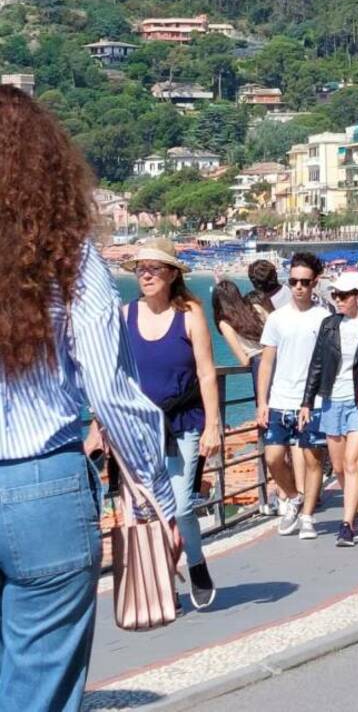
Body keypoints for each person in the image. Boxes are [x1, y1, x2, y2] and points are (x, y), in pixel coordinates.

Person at [0, 84, 179, 711]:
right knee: (40, 683)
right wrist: (156, 491)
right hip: (41, 486)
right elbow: (111, 390)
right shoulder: (70, 260)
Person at [123, 238, 220, 610]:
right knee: (151, 513)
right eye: (140, 268)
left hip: (184, 423)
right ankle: (166, 588)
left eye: (153, 268)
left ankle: (195, 564)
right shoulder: (124, 315)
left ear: (172, 274)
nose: (145, 274)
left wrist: (213, 426)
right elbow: (114, 377)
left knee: (180, 506)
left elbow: (207, 373)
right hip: (140, 429)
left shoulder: (190, 313)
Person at [256, 252, 331, 539]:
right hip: (279, 399)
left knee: (312, 460)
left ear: (315, 283)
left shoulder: (324, 318)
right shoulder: (276, 319)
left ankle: (308, 516)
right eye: (294, 281)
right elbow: (267, 361)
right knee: (274, 457)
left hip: (312, 402)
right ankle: (292, 497)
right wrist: (262, 402)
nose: (299, 287)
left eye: (305, 282)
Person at [302, 271, 358, 546]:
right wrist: (307, 402)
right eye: (335, 295)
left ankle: (347, 525)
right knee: (341, 469)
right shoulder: (329, 325)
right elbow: (317, 364)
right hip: (332, 399)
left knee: (353, 463)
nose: (338, 300)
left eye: (343, 295)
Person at [213, 279, 266, 394]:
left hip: (260, 365)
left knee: (264, 407)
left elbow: (244, 360)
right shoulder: (256, 309)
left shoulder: (225, 323)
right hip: (277, 357)